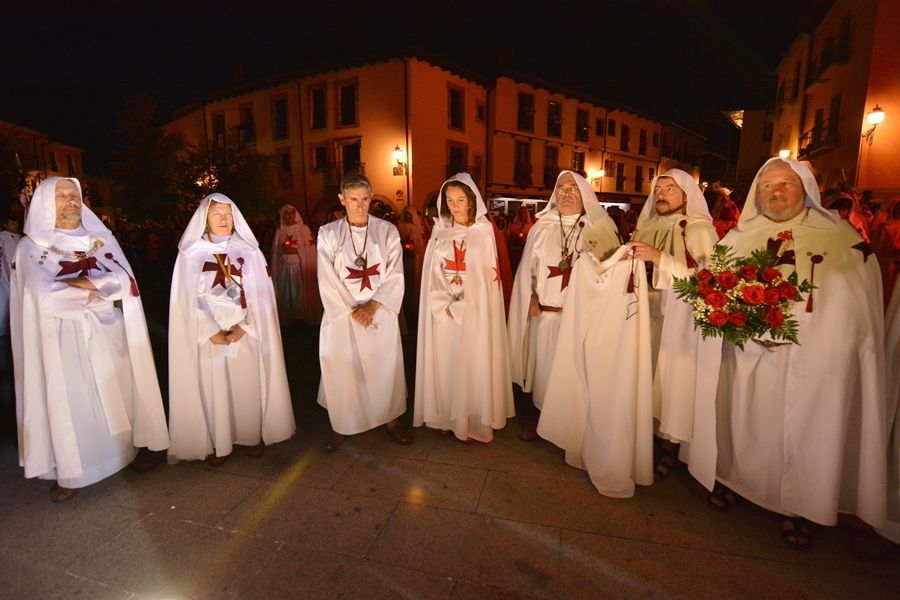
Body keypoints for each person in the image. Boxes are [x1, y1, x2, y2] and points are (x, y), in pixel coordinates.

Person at [700, 158, 887, 548]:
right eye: (766, 185)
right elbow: (712, 287)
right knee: (742, 420)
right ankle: (734, 480)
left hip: (812, 359)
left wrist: (828, 336)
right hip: (745, 353)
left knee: (802, 431)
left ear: (806, 189)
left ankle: (798, 506)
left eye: (785, 184)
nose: (775, 192)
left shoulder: (840, 239)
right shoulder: (737, 237)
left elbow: (855, 300)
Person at [10, 177, 169, 502]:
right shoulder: (31, 248)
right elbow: (45, 297)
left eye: (74, 194)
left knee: (117, 393)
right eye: (62, 196)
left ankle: (128, 452)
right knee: (72, 402)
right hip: (60, 340)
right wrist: (99, 288)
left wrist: (82, 286)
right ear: (45, 203)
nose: (71, 200)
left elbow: (125, 282)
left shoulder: (101, 239)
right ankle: (73, 471)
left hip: (109, 331)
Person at [168, 193, 295, 465]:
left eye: (228, 214)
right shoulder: (190, 254)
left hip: (244, 332)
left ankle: (251, 436)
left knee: (247, 385)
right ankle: (219, 442)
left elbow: (262, 294)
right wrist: (209, 330)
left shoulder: (249, 251)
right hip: (209, 336)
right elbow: (185, 299)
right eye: (217, 214)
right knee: (215, 388)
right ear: (205, 219)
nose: (224, 219)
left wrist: (245, 327)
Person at [536, 236, 655, 498]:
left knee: (616, 390)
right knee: (586, 383)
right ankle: (583, 449)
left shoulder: (631, 264)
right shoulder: (584, 262)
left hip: (620, 334)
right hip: (594, 328)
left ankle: (611, 458)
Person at [507, 170, 619, 440]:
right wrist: (530, 297)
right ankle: (543, 423)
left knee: (574, 375)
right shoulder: (541, 228)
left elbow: (612, 274)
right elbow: (527, 270)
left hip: (581, 319)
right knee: (545, 373)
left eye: (573, 188)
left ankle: (576, 429)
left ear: (585, 193)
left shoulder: (601, 227)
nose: (566, 194)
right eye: (561, 189)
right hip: (545, 315)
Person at [627, 170, 719, 481]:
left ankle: (668, 445)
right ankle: (643, 435)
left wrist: (660, 259)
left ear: (687, 195)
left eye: (670, 188)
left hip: (678, 319)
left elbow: (709, 280)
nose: (661, 194)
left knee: (669, 381)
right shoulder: (647, 225)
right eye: (658, 188)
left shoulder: (700, 229)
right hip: (643, 313)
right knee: (645, 374)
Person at [413, 173, 513, 442]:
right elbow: (432, 272)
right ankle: (446, 417)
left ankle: (472, 423)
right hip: (443, 311)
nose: (455, 206)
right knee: (446, 363)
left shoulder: (483, 232)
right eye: (449, 200)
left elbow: (487, 277)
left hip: (474, 313)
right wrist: (444, 302)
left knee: (471, 363)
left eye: (460, 200)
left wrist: (463, 304)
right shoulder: (439, 231)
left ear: (471, 201)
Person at [316, 174, 410, 453]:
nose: (360, 205)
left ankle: (391, 419)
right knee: (344, 369)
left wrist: (373, 306)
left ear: (371, 199)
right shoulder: (328, 233)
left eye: (365, 199)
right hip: (342, 315)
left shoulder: (387, 231)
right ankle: (341, 424)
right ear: (342, 200)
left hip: (379, 313)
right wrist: (352, 310)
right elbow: (326, 277)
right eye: (353, 199)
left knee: (384, 367)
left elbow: (396, 274)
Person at [270, 204, 319, 325]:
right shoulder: (280, 232)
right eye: (287, 214)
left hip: (299, 269)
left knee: (298, 293)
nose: (290, 216)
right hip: (283, 269)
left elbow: (310, 250)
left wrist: (296, 250)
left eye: (292, 213)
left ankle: (301, 317)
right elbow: (275, 253)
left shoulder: (303, 229)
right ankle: (288, 317)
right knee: (286, 293)